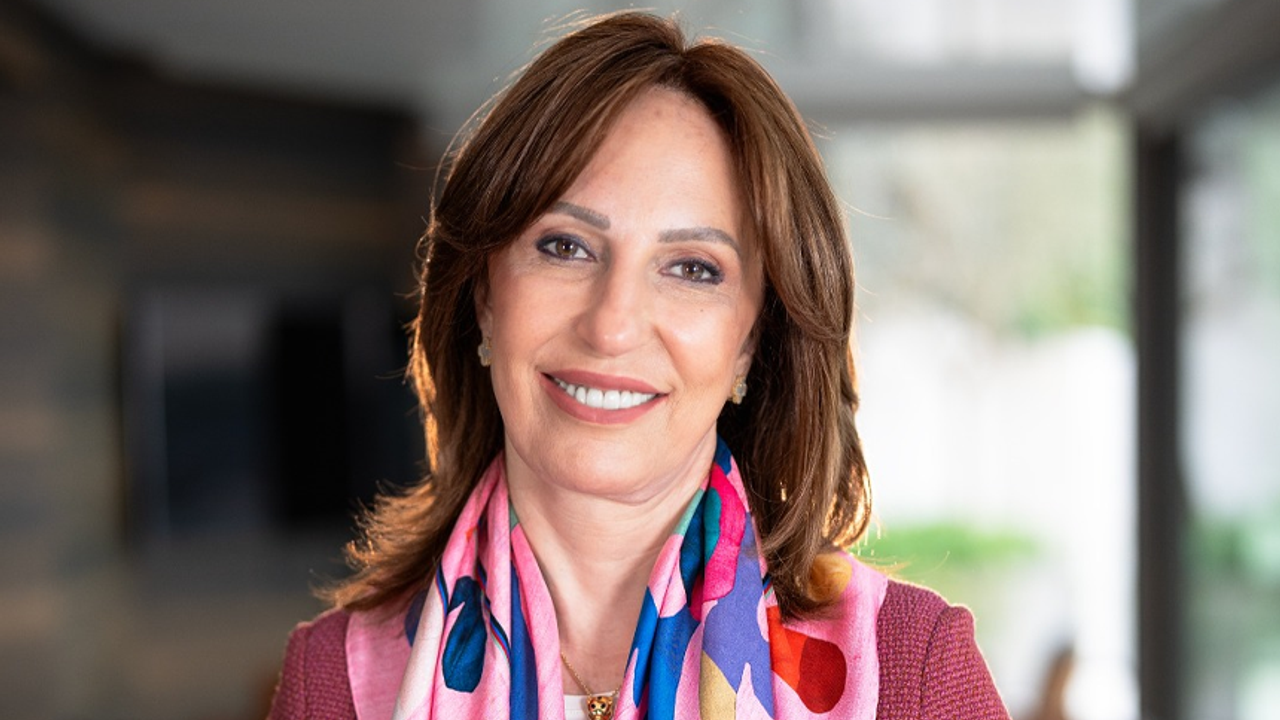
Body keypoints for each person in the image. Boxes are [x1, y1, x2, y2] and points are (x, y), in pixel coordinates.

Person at [269, 11, 1009, 720]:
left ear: (752, 340)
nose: (612, 325)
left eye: (692, 268)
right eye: (565, 246)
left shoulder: (910, 674)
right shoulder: (334, 682)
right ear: (485, 297)